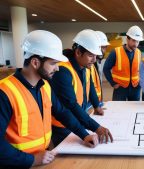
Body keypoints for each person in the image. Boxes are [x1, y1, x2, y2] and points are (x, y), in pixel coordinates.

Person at [0, 30, 99, 168]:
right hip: (18, 163)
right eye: (53, 63)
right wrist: (32, 160)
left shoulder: (45, 85)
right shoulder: (4, 92)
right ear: (35, 62)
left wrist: (84, 134)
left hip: (43, 159)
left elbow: (62, 112)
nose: (57, 69)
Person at [50, 29, 113, 146]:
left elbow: (91, 86)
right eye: (90, 55)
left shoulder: (85, 65)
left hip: (78, 121)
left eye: (95, 55)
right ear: (78, 52)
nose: (94, 60)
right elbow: (71, 104)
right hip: (63, 127)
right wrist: (96, 127)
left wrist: (96, 106)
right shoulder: (62, 71)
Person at [103, 25, 143, 101]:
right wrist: (113, 83)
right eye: (133, 40)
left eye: (137, 41)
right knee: (118, 110)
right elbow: (106, 69)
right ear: (127, 39)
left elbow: (139, 69)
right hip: (120, 88)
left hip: (135, 88)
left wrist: (140, 82)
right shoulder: (115, 52)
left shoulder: (139, 52)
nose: (136, 44)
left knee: (134, 111)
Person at [90, 31, 110, 107]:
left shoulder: (98, 62)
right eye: (101, 47)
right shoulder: (89, 65)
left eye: (104, 47)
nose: (103, 50)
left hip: (96, 101)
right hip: (90, 104)